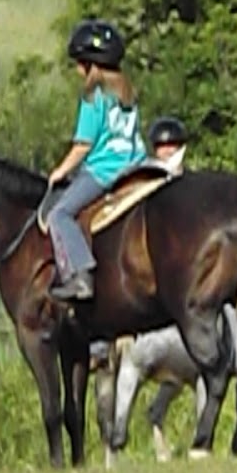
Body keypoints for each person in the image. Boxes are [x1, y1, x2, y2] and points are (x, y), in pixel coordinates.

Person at [45, 19, 146, 301]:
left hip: (106, 170)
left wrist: (59, 171)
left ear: (91, 65)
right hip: (138, 164)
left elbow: (83, 146)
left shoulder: (93, 97)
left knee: (60, 215)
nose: (78, 69)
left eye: (80, 63)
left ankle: (80, 276)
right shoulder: (127, 93)